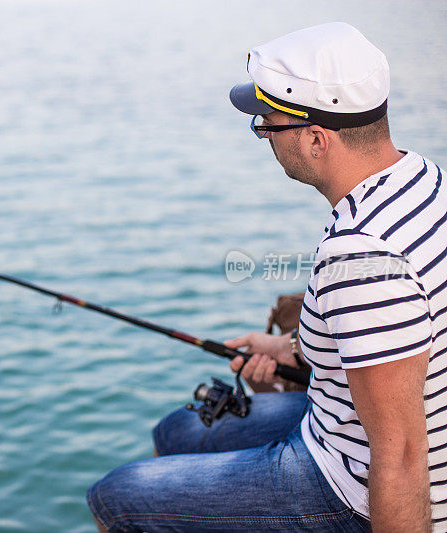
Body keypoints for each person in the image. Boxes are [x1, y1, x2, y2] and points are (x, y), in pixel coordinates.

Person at [87, 22, 447, 532]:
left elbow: (404, 455)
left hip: (349, 486)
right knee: (174, 432)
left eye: (267, 125)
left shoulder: (359, 251)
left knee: (114, 498)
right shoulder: (424, 181)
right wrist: (291, 351)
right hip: (338, 422)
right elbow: (397, 332)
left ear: (317, 139)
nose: (263, 136)